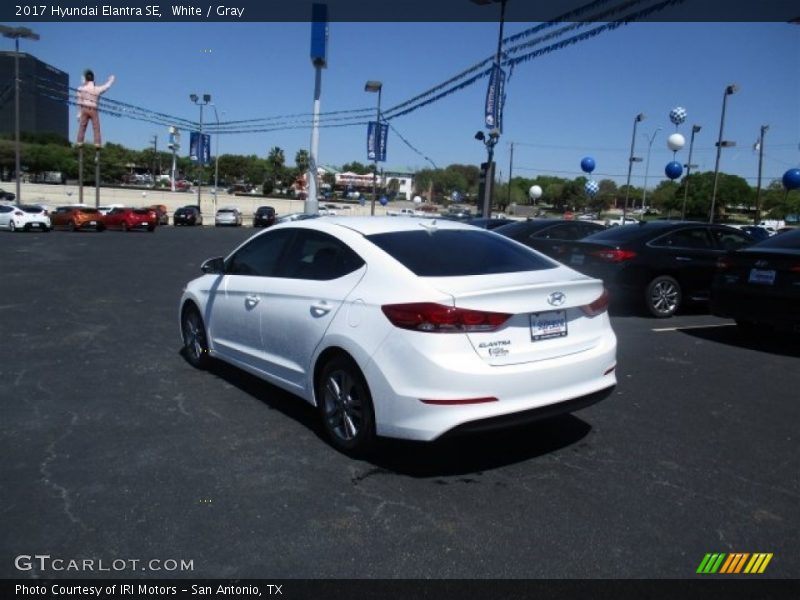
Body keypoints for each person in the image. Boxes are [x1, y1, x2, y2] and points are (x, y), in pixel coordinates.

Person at [76, 69, 115, 148]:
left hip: (84, 108)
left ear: (85, 78)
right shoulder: (97, 89)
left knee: (82, 127)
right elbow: (106, 87)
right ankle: (97, 144)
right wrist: (111, 80)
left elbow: (79, 101)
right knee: (96, 128)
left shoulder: (80, 89)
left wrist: (78, 113)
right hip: (94, 109)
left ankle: (79, 142)